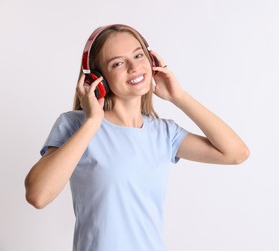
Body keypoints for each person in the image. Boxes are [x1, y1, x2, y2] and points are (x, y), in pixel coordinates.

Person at [24, 24, 250, 251]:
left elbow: (236, 154)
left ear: (152, 61)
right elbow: (38, 195)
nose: (134, 67)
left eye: (139, 55)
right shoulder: (75, 125)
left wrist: (178, 96)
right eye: (118, 63)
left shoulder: (164, 133)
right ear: (98, 78)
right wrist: (92, 121)